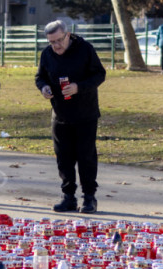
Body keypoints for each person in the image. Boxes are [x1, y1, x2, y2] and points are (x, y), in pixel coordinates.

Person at [35, 20, 106, 214]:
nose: (56, 45)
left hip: (85, 113)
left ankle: (89, 198)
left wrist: (78, 87)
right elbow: (39, 77)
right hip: (60, 115)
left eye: (59, 40)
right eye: (51, 42)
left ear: (68, 35)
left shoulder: (85, 49)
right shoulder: (47, 54)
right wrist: (44, 87)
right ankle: (68, 197)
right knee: (63, 158)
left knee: (85, 157)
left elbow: (100, 74)